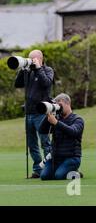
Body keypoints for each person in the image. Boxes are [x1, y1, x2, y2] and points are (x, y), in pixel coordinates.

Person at [14, 50, 54, 178]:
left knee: (45, 142)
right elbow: (17, 84)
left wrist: (38, 69)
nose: (31, 61)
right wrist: (23, 69)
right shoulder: (28, 72)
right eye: (29, 59)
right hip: (29, 113)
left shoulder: (48, 70)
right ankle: (37, 169)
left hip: (41, 112)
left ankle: (49, 167)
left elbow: (46, 83)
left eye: (33, 59)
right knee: (32, 144)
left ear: (40, 59)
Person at [39, 93, 84, 180]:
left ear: (68, 104)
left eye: (60, 104)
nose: (58, 106)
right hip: (56, 157)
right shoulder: (56, 118)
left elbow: (73, 132)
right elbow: (42, 130)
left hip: (71, 157)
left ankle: (75, 172)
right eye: (56, 104)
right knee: (44, 176)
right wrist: (49, 113)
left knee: (59, 176)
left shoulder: (78, 119)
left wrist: (56, 123)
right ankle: (62, 170)